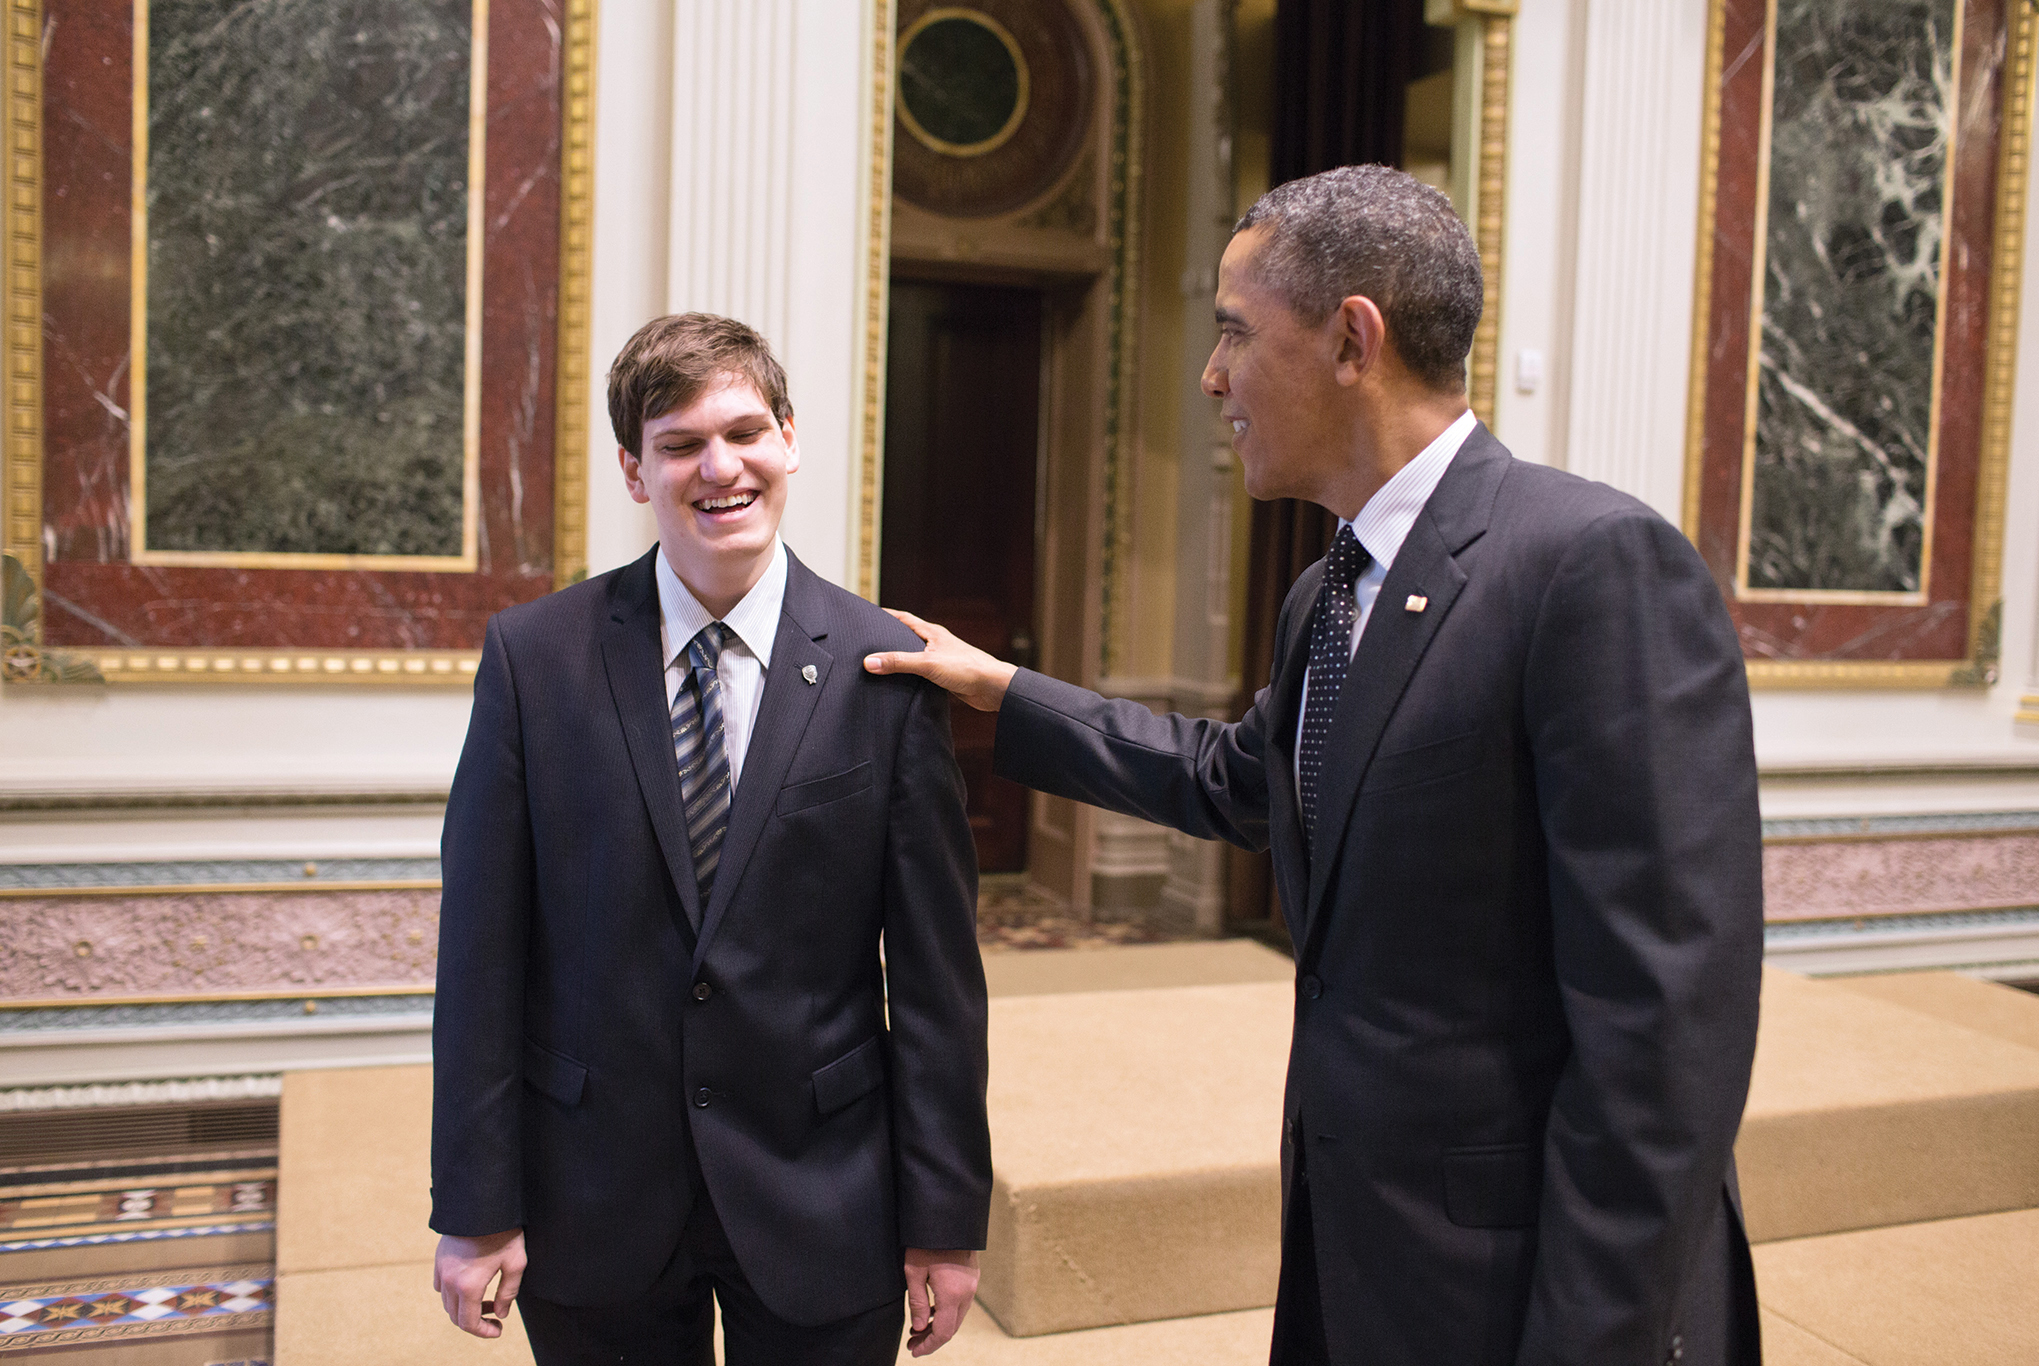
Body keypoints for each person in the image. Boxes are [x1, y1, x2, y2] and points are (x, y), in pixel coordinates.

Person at [865, 165, 1764, 1366]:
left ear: (1352, 339)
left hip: (1528, 1288)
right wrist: (1004, 692)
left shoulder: (1591, 566)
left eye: (1233, 331)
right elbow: (1240, 779)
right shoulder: (1325, 591)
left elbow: (1664, 1030)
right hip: (1359, 1253)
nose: (1211, 376)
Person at [431, 312, 991, 1365]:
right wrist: (473, 1204)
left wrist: (945, 1218)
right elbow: (480, 957)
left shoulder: (890, 667)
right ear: (635, 472)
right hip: (591, 1190)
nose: (717, 467)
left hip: (824, 1187)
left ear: (789, 437)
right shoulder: (533, 660)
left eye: (743, 432)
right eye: (679, 443)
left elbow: (935, 982)